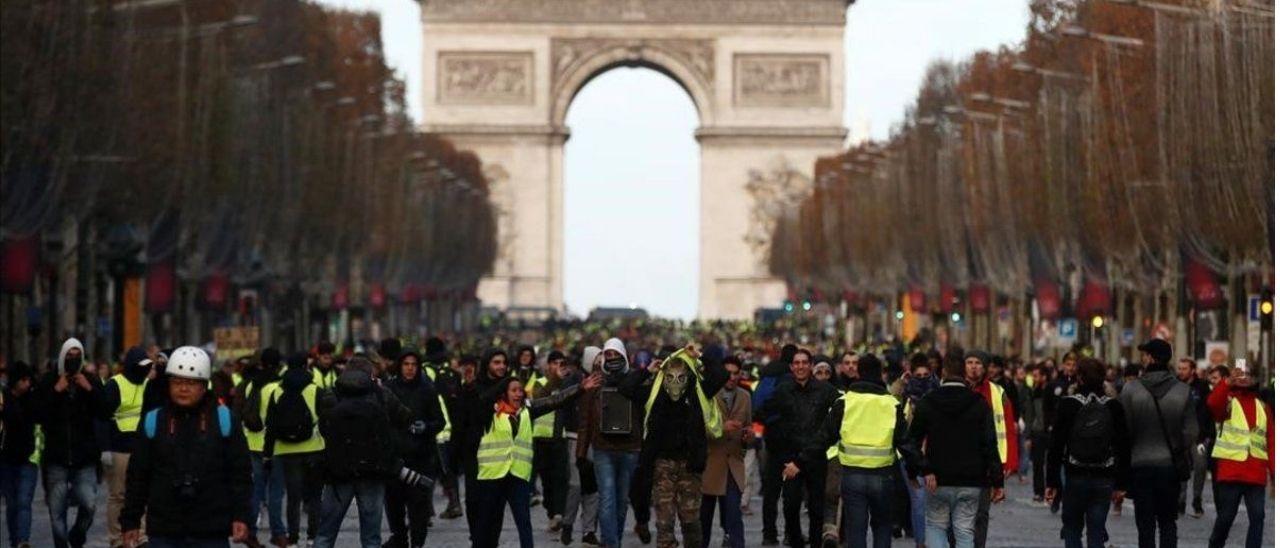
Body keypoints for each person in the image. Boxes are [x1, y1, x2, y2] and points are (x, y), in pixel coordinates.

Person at [119, 346, 252, 548]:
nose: (183, 389)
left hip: (211, 530)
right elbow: (138, 475)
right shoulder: (154, 421)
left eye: (191, 383)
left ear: (204, 385)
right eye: (177, 382)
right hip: (164, 530)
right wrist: (131, 521)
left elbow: (240, 473)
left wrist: (241, 516)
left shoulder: (224, 420)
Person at [310, 356, 431, 548]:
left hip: (338, 472)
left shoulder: (330, 395)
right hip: (373, 472)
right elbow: (406, 417)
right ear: (370, 374)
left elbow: (325, 427)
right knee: (371, 537)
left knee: (325, 533)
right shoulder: (381, 394)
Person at [472, 371, 600, 547]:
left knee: (524, 522)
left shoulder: (527, 410)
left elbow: (555, 401)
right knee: (487, 522)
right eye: (513, 390)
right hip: (493, 477)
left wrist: (580, 389)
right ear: (504, 393)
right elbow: (477, 401)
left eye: (520, 390)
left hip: (518, 476)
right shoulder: (490, 411)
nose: (518, 394)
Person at [902, 352, 1003, 548]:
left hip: (937, 479)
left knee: (936, 526)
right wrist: (997, 480)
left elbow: (912, 441)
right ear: (963, 372)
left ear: (944, 372)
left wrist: (918, 470)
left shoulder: (928, 402)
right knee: (965, 531)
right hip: (971, 480)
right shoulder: (979, 404)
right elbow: (990, 443)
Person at [630, 345, 727, 548]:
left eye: (680, 376)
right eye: (670, 375)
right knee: (665, 522)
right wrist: (646, 371)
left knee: (690, 521)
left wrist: (700, 356)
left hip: (690, 464)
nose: (675, 382)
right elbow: (626, 388)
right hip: (662, 464)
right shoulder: (654, 393)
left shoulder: (697, 390)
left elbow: (721, 375)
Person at [809, 353, 908, 548]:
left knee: (856, 529)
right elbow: (905, 441)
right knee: (882, 527)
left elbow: (824, 437)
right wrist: (916, 470)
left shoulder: (845, 401)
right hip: (882, 474)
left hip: (852, 474)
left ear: (859, 372)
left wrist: (801, 460)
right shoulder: (891, 404)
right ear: (880, 373)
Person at [1117, 339, 1196, 548]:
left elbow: (1123, 431)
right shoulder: (1182, 391)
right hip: (1170, 467)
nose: (1142, 359)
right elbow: (1191, 432)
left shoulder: (1130, 390)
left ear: (1151, 358)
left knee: (1145, 525)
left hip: (1140, 465)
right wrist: (1177, 447)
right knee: (1168, 523)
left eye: (1144, 355)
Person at [1045, 357, 1130, 548]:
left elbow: (1056, 445)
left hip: (1075, 474)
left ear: (1079, 378)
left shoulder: (1068, 404)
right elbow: (1123, 446)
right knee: (1097, 530)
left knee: (1072, 529)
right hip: (1103, 476)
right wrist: (1122, 484)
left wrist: (1052, 481)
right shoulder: (1113, 406)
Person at [763, 347, 841, 548]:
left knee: (816, 509)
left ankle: (816, 544)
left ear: (811, 365)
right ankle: (796, 542)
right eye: (796, 363)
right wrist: (779, 446)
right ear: (791, 366)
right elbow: (765, 414)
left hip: (816, 456)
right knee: (790, 505)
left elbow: (841, 410)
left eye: (804, 363)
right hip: (790, 457)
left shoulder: (825, 390)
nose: (800, 367)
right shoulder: (783, 390)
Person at [35, 338, 107, 548]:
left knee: (89, 504)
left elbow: (105, 411)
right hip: (56, 458)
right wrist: (56, 391)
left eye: (77, 356)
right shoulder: (49, 381)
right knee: (57, 513)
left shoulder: (91, 380)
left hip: (84, 458)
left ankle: (77, 534)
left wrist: (90, 390)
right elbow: (38, 413)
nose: (73, 360)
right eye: (69, 355)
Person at [576, 338, 647, 548]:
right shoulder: (595, 382)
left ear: (624, 355)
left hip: (630, 448)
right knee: (607, 499)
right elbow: (585, 421)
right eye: (608, 355)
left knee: (622, 501)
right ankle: (611, 544)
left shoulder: (636, 380)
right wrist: (580, 453)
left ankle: (613, 540)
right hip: (603, 448)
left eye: (616, 355)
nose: (613, 359)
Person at [383, 350, 446, 548]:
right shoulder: (389, 388)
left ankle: (417, 544)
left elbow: (440, 421)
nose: (410, 368)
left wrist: (426, 427)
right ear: (400, 366)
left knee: (418, 509)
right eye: (406, 364)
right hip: (395, 460)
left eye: (414, 364)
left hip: (421, 459)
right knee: (394, 506)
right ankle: (400, 539)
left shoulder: (427, 389)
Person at [1205, 363, 1272, 548]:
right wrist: (1226, 382)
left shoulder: (1263, 407)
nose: (1243, 378)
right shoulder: (1227, 402)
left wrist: (1274, 476)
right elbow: (1212, 403)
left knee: (1258, 517)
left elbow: (1272, 443)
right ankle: (1215, 544)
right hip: (1231, 471)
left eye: (1247, 374)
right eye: (1239, 375)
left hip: (1256, 474)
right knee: (1226, 517)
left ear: (1254, 379)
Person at [261, 354, 325, 547]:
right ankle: (313, 537)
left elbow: (271, 426)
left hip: (286, 451)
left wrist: (267, 453)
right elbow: (327, 421)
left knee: (293, 498)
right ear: (306, 366)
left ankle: (293, 538)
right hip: (314, 448)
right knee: (314, 497)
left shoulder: (278, 391)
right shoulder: (316, 390)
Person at [962, 351, 1017, 548]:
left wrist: (1010, 461)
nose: (974, 366)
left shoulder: (997, 392)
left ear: (984, 368)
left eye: (978, 363)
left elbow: (1009, 428)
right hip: (959, 458)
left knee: (981, 514)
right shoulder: (954, 389)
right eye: (969, 362)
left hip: (986, 461)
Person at [233, 349, 286, 548]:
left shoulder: (249, 385)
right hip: (273, 446)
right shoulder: (277, 387)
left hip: (251, 443)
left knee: (255, 491)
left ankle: (251, 532)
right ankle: (278, 532)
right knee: (276, 493)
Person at [102, 346, 154, 548]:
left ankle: (140, 537)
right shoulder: (115, 384)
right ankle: (116, 539)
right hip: (119, 447)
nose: (145, 371)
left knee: (144, 493)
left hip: (143, 447)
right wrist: (105, 448)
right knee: (118, 495)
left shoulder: (148, 385)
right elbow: (104, 416)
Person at [701, 355, 752, 548]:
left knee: (734, 517)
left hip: (734, 465)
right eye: (727, 373)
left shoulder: (745, 396)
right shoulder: (708, 395)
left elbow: (748, 426)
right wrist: (722, 427)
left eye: (735, 373)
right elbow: (698, 428)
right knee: (703, 519)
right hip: (709, 465)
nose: (731, 377)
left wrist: (748, 436)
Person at [752, 344, 798, 545]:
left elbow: (757, 404)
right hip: (793, 441)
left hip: (772, 438)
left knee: (771, 492)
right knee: (791, 493)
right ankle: (790, 534)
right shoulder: (795, 378)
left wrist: (769, 421)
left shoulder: (769, 373)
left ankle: (769, 534)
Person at [561, 347, 602, 545]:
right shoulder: (573, 380)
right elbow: (563, 402)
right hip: (574, 437)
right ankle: (568, 524)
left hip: (596, 440)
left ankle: (588, 531)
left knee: (592, 488)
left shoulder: (603, 380)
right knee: (576, 485)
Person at [529, 349, 571, 533]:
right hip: (541, 438)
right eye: (555, 363)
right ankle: (551, 511)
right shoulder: (540, 382)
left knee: (561, 478)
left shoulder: (568, 383)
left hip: (560, 438)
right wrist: (555, 379)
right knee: (546, 480)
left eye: (561, 364)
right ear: (548, 365)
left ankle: (559, 514)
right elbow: (540, 397)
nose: (557, 367)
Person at [0, 361, 39, 548]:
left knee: (24, 501)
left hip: (28, 459)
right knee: (12, 503)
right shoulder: (3, 399)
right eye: (24, 380)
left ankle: (23, 540)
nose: (27, 383)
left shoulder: (32, 398)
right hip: (6, 459)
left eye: (28, 379)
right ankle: (14, 540)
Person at [1173, 357, 1212, 518]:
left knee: (1200, 466)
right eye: (1179, 368)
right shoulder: (1174, 385)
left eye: (1184, 368)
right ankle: (1180, 501)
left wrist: (1204, 434)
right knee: (1181, 468)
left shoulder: (1201, 387)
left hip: (1198, 436)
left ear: (1192, 370)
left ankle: (1197, 499)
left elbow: (1206, 411)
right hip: (1179, 435)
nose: (1181, 371)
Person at [1024, 365, 1051, 503]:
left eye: (1036, 375)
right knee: (1038, 463)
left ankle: (1052, 490)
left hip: (1050, 431)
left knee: (1052, 463)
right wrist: (1028, 435)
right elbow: (1030, 414)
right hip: (1038, 431)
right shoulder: (1033, 392)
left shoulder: (1052, 390)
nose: (1033, 378)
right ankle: (1039, 491)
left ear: (1044, 377)